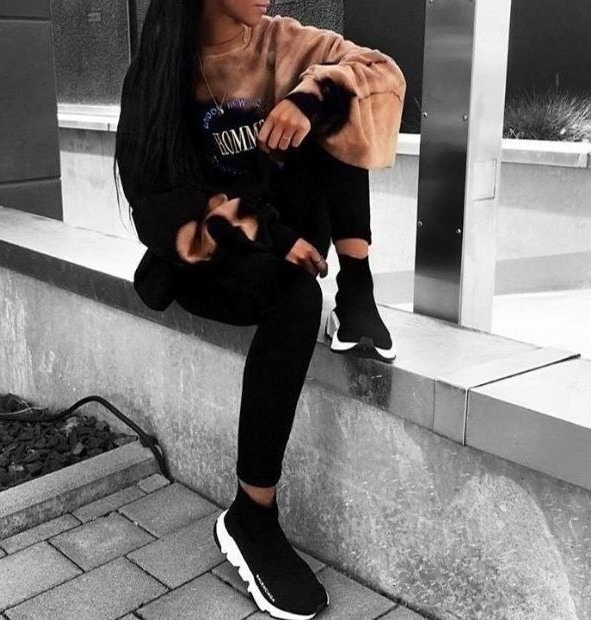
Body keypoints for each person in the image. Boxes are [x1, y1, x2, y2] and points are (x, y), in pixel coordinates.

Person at [114, 1, 406, 618]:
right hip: (208, 256)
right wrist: (267, 232)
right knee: (294, 298)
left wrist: (308, 100)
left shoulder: (283, 43)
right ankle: (252, 515)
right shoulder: (161, 71)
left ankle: (357, 289)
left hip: (291, 237)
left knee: (338, 96)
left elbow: (383, 74)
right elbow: (157, 207)